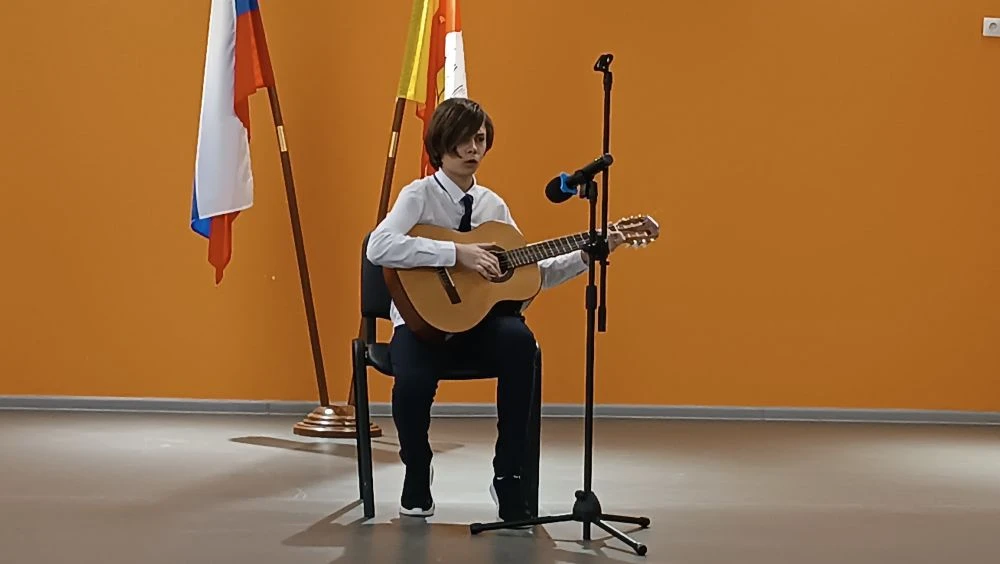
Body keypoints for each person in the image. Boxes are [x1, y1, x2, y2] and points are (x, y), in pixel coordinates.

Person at [366, 97, 625, 521]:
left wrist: (587, 254)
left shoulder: (493, 206)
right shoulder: (418, 195)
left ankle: (508, 474)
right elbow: (379, 246)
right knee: (411, 384)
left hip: (480, 325)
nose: (473, 149)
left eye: (480, 140)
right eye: (463, 140)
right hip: (421, 325)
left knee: (521, 343)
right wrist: (457, 253)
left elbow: (530, 274)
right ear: (441, 145)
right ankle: (416, 465)